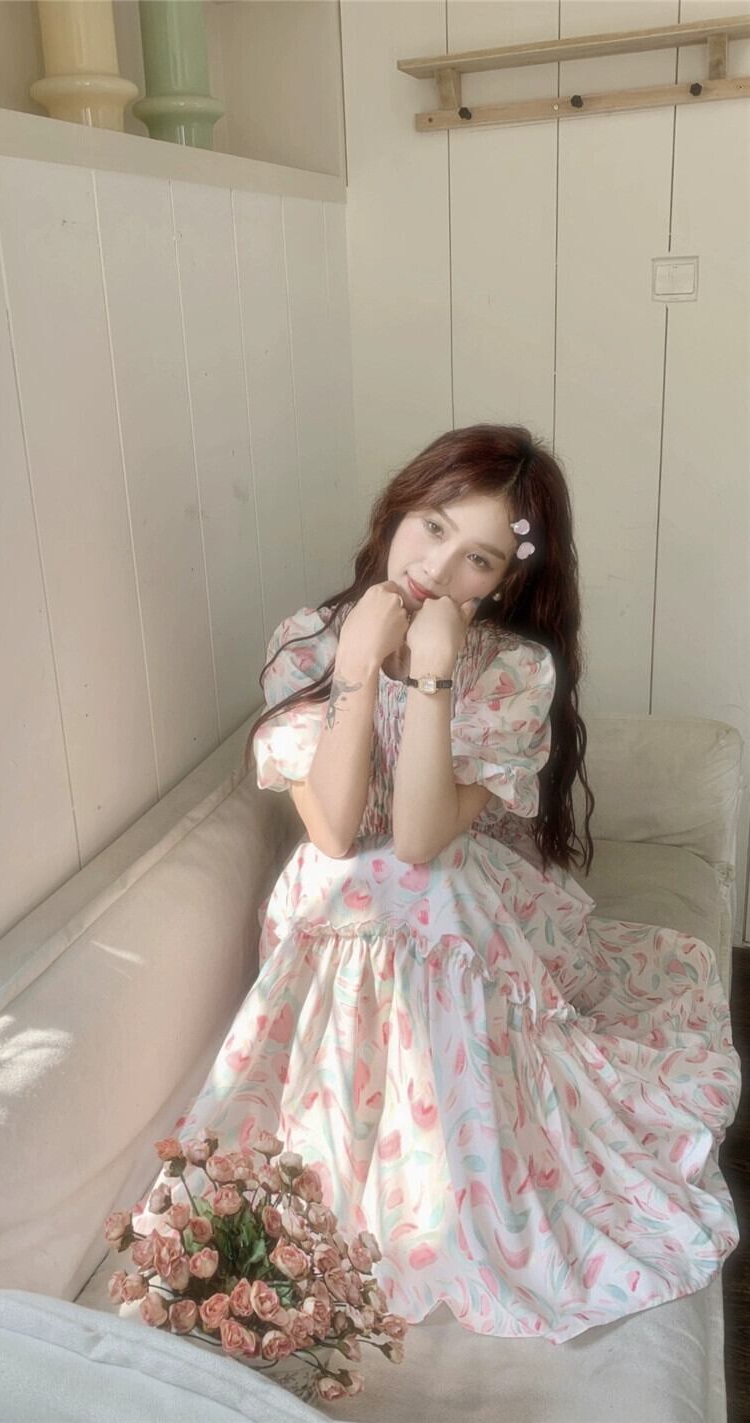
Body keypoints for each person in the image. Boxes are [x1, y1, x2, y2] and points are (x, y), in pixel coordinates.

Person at [134, 423, 740, 1345]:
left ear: (505, 582)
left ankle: (442, 1168)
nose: (438, 568)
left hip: (475, 907)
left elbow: (419, 837)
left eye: (478, 559)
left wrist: (431, 672)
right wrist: (353, 664)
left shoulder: (515, 669)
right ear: (398, 508)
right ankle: (366, 1160)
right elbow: (336, 831)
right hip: (344, 922)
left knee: (417, 879)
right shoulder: (308, 640)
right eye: (432, 526)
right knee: (360, 876)